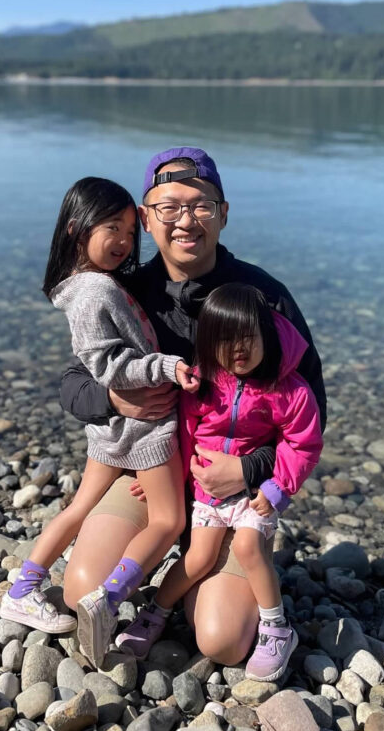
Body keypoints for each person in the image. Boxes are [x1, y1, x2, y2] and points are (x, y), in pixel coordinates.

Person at [59, 147, 326, 667]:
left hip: (231, 491)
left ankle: (212, 578)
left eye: (201, 206)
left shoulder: (261, 298)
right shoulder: (123, 293)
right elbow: (72, 385)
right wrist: (112, 397)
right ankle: (169, 576)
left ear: (223, 214)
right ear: (146, 218)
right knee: (80, 590)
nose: (186, 220)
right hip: (151, 476)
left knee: (221, 642)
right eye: (169, 207)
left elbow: (311, 412)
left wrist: (250, 469)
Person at [0, 177, 198, 667]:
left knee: (81, 506)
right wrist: (167, 367)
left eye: (131, 232)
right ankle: (108, 599)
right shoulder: (94, 291)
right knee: (168, 520)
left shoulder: (93, 285)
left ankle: (23, 587)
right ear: (76, 228)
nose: (124, 242)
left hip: (110, 430)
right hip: (144, 431)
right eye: (112, 227)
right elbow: (107, 366)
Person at [116, 283, 322, 681]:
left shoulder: (289, 389)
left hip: (254, 494)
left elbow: (303, 443)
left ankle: (277, 628)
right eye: (225, 340)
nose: (238, 349)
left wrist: (277, 488)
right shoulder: (203, 384)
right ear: (209, 342)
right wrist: (168, 480)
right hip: (207, 496)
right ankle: (156, 612)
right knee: (198, 558)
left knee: (248, 546)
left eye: (248, 337)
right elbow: (184, 436)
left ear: (267, 334)